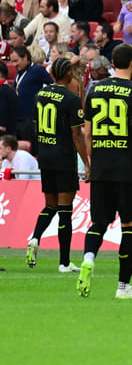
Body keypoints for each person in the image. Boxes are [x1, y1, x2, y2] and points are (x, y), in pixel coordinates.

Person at [78, 43, 132, 300]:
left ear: (113, 62)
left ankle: (89, 258)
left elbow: (87, 132)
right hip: (127, 169)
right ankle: (123, 287)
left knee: (98, 222)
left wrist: (92, 162)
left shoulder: (95, 91)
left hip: (101, 167)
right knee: (129, 226)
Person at [25, 57, 88, 274]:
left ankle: (34, 238)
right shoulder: (70, 98)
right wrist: (87, 163)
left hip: (45, 155)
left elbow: (35, 128)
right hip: (63, 157)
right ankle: (64, 262)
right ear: (68, 75)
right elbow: (76, 134)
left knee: (50, 205)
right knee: (65, 211)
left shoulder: (39, 95)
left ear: (51, 74)